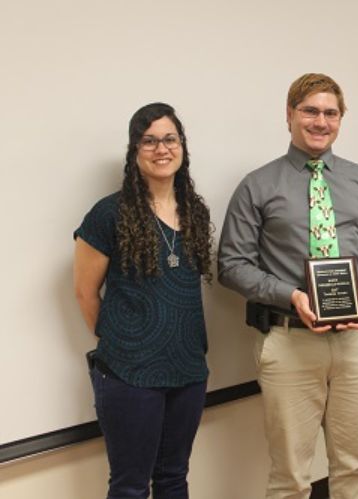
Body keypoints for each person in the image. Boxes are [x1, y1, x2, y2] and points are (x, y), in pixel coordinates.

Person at [217, 73, 358, 498]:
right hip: (289, 343)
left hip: (357, 341)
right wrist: (293, 296)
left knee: (354, 468)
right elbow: (231, 264)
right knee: (290, 477)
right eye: (310, 111)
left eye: (330, 112)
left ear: (341, 119)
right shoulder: (258, 185)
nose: (320, 121)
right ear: (289, 115)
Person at [73, 102, 213, 499]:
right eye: (148, 141)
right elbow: (84, 292)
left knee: (173, 478)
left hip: (187, 370)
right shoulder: (108, 213)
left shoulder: (195, 211)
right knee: (131, 486)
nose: (161, 148)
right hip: (128, 373)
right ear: (134, 152)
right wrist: (124, 342)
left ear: (182, 146)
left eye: (169, 138)